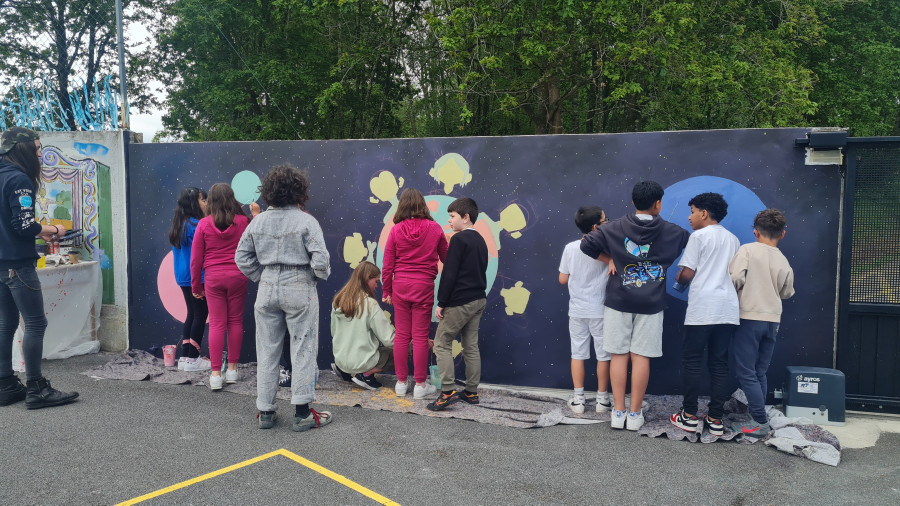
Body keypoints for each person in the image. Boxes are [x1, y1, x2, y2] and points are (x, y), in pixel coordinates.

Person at [580, 180, 690, 431]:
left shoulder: (614, 227)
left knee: (618, 355)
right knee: (641, 357)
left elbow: (586, 244)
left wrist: (611, 259)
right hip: (651, 303)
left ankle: (617, 413)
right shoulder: (675, 231)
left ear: (633, 202)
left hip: (618, 300)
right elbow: (687, 242)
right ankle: (635, 413)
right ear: (658, 203)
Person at [235, 165, 332, 431]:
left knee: (266, 349)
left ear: (268, 191)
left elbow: (241, 257)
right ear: (299, 190)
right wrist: (313, 277)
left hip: (266, 286)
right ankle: (302, 413)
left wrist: (262, 276)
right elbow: (321, 261)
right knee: (302, 348)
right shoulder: (306, 221)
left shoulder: (258, 221)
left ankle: (265, 411)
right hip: (299, 285)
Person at [0, 127, 79, 409]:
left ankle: (6, 384)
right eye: (35, 149)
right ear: (21, 150)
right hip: (18, 265)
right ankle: (36, 387)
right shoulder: (20, 179)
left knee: (5, 324)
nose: (38, 154)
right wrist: (52, 228)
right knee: (35, 322)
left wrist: (38, 232)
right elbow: (22, 226)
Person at [669, 193, 739, 437]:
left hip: (703, 309)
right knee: (719, 363)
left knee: (692, 361)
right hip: (728, 309)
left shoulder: (698, 236)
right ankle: (716, 419)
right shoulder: (733, 239)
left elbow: (687, 273)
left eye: (692, 211)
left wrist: (678, 279)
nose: (689, 217)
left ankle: (688, 416)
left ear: (704, 213)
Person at [729, 209, 795, 438]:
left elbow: (735, 277)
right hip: (772, 320)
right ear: (782, 234)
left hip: (749, 317)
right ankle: (759, 417)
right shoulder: (783, 260)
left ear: (756, 232)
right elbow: (787, 292)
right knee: (759, 372)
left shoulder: (747, 250)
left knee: (746, 372)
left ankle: (758, 421)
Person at [381, 188, 448, 400]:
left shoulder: (395, 230)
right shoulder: (435, 228)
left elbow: (387, 265)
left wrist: (386, 290)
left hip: (400, 286)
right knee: (419, 336)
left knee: (402, 334)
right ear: (422, 205)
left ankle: (401, 383)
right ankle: (420, 385)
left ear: (402, 206)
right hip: (424, 286)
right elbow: (447, 258)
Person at [426, 198, 488, 411]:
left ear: (466, 217)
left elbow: (449, 274)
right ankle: (471, 392)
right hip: (479, 299)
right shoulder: (480, 240)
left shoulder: (458, 240)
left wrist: (441, 302)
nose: (449, 220)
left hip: (460, 301)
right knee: (471, 345)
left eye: (452, 216)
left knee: (441, 343)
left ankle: (447, 392)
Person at [190, 183, 251, 390]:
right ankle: (232, 370)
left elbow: (196, 260)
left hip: (213, 279)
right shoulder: (243, 221)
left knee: (216, 324)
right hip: (238, 277)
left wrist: (196, 286)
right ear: (231, 198)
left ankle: (216, 374)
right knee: (235, 322)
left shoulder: (204, 224)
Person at [557, 206, 612, 415]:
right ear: (596, 226)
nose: (608, 223)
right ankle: (602, 399)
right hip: (600, 309)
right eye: (606, 220)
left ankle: (578, 399)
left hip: (577, 310)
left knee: (578, 354)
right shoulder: (607, 249)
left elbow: (562, 279)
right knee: (603, 356)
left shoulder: (570, 248)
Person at [331, 261, 395, 390]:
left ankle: (345, 369)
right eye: (376, 281)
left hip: (341, 358)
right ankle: (366, 374)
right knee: (407, 349)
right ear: (367, 279)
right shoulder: (370, 304)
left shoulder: (338, 300)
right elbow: (389, 340)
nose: (378, 285)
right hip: (362, 362)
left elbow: (334, 332)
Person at [168, 187, 212, 371]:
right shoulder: (195, 226)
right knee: (200, 314)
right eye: (203, 200)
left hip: (183, 277)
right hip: (197, 277)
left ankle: (185, 357)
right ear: (194, 203)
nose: (206, 203)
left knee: (192, 314)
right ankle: (193, 358)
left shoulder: (180, 224)